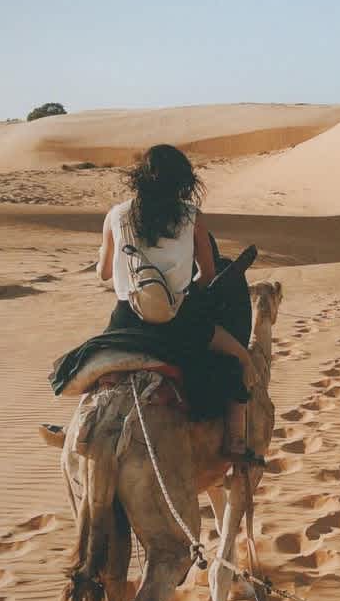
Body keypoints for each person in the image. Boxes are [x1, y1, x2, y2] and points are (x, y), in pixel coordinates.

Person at [95, 143, 259, 464]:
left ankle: (81, 427)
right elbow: (207, 274)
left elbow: (103, 273)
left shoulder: (116, 215)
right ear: (183, 180)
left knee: (93, 367)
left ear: (140, 178)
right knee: (240, 362)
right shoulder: (191, 217)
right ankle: (236, 444)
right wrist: (179, 290)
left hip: (126, 320)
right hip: (179, 321)